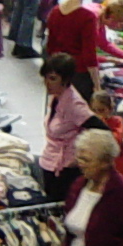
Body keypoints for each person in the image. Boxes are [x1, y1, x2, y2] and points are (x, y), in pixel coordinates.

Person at [43, 0, 123, 99]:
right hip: (78, 74)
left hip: (58, 71)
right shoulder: (87, 17)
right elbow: (89, 56)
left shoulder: (55, 12)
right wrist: (97, 86)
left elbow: (50, 46)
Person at [39, 53, 91, 201]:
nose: (47, 83)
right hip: (50, 162)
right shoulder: (57, 97)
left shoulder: (75, 105)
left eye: (53, 79)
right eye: (45, 78)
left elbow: (100, 129)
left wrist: (80, 156)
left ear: (66, 79)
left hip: (65, 170)